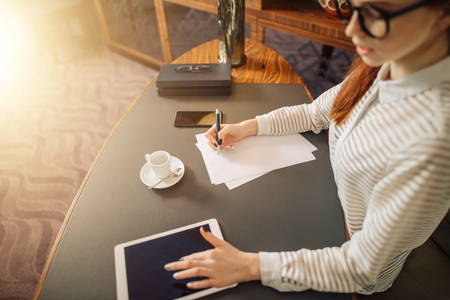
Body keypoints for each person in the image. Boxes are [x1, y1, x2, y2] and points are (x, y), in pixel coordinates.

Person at [164, 0, 450, 295]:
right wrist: (245, 128)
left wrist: (248, 266)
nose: (352, 29)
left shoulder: (435, 142)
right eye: (353, 8)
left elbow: (361, 267)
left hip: (350, 265)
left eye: (376, 13)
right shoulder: (386, 63)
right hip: (331, 202)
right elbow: (315, 114)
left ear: (441, 13)